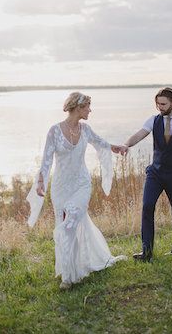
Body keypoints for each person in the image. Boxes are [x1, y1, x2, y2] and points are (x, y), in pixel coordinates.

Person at [26, 92, 127, 290]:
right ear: (78, 108)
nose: (90, 110)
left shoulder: (86, 129)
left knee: (70, 220)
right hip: (61, 187)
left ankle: (70, 274)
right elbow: (46, 161)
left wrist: (118, 148)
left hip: (81, 184)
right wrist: (40, 183)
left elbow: (102, 143)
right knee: (67, 225)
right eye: (88, 106)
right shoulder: (54, 131)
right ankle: (69, 273)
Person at [122, 87, 172, 262]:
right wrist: (126, 145)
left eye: (163, 104)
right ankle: (146, 252)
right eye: (157, 104)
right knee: (147, 206)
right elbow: (140, 134)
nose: (160, 107)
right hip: (155, 173)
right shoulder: (154, 120)